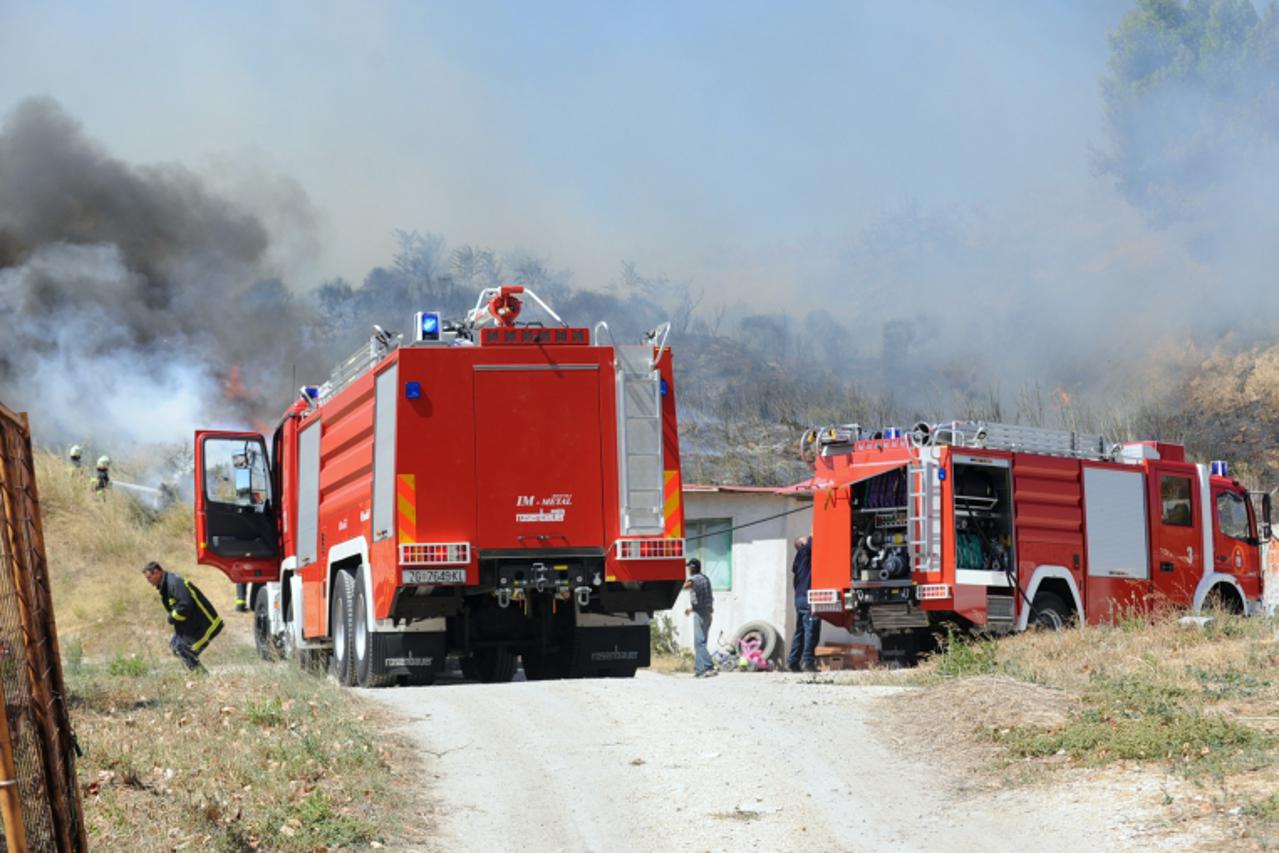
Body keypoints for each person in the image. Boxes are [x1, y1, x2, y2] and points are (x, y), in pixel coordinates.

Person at [142, 561, 223, 672]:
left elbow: (185, 604)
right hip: (192, 624)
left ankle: (201, 676)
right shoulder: (166, 585)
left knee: (183, 649)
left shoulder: (174, 583)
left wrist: (172, 617)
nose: (148, 582)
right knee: (176, 646)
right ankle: (198, 674)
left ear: (157, 572)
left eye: (149, 578)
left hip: (206, 623)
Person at [786, 535, 821, 673]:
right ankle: (808, 661)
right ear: (802, 545)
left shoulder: (799, 561)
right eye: (806, 539)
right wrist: (814, 532)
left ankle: (793, 662)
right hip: (807, 597)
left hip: (800, 598)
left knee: (800, 631)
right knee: (811, 629)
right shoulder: (804, 553)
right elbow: (811, 543)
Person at [682, 557, 717, 678]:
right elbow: (703, 599)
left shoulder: (695, 578)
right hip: (707, 613)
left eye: (688, 568)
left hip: (700, 614)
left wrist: (678, 581)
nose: (687, 570)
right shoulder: (705, 578)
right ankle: (699, 670)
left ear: (693, 568)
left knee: (699, 642)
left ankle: (709, 667)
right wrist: (691, 609)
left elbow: (686, 586)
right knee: (701, 642)